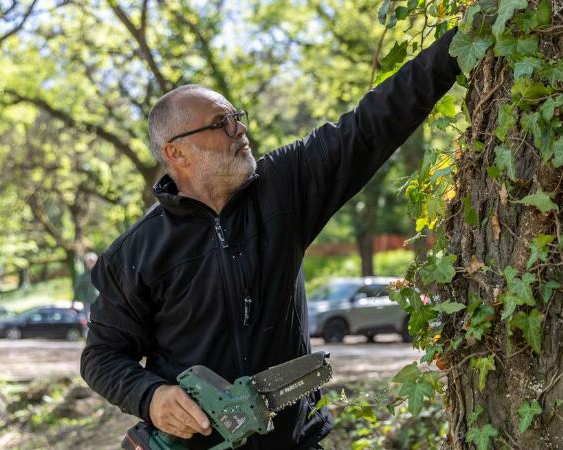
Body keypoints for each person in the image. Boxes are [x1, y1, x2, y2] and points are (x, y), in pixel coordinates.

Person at [80, 27, 461, 449]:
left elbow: (371, 124)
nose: (238, 131)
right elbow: (101, 356)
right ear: (176, 152)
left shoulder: (284, 185)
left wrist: (460, 43)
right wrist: (150, 397)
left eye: (236, 118)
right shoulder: (135, 253)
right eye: (220, 124)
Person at [73, 251, 99, 317]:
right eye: (89, 262)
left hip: (101, 302)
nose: (91, 263)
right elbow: (77, 289)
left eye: (92, 261)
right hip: (88, 303)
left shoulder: (102, 273)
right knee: (89, 320)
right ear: (86, 263)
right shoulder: (82, 276)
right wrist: (74, 302)